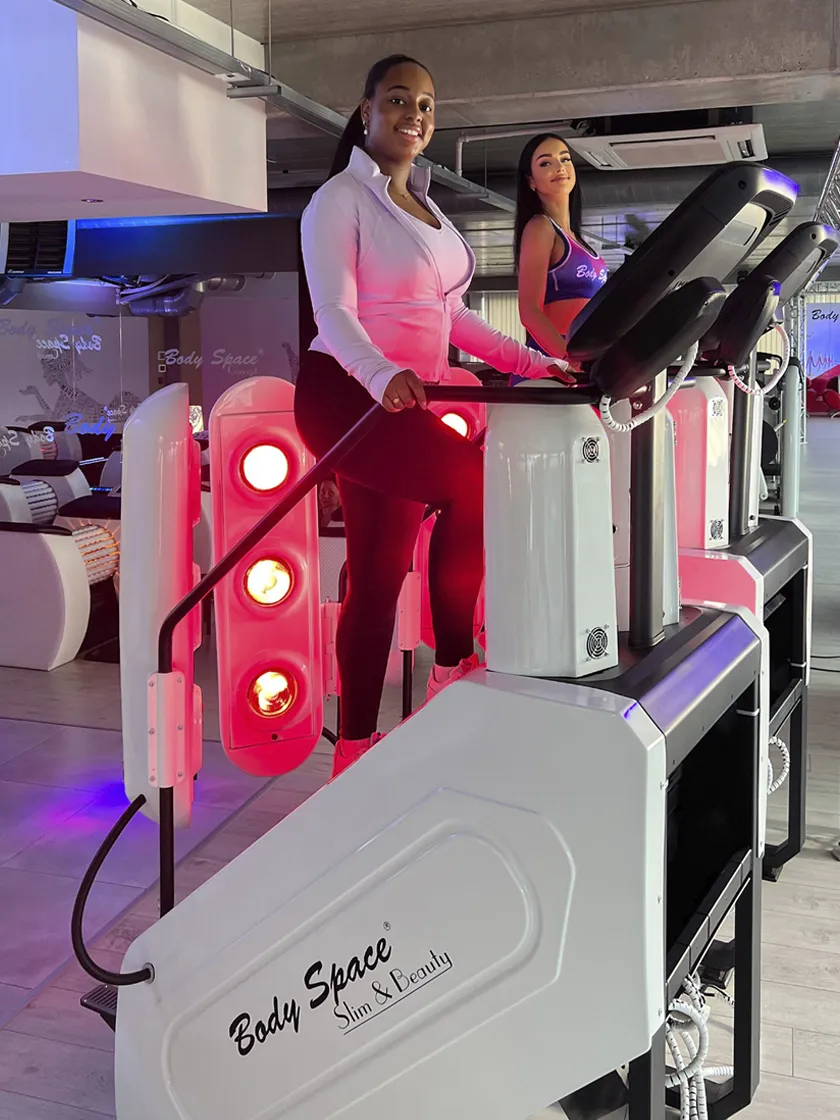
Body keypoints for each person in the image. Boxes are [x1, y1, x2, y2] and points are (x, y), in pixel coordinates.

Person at [295, 54, 572, 777]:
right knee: (472, 484)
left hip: (396, 400)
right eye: (397, 100)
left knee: (379, 576)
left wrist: (532, 364)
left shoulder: (426, 208)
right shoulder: (338, 202)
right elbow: (335, 313)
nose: (413, 114)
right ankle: (454, 666)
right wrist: (385, 373)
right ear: (365, 111)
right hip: (346, 393)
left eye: (424, 104)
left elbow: (453, 316)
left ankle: (352, 746)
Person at [512, 133, 609, 383]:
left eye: (565, 159)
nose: (559, 167)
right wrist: (567, 358)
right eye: (546, 163)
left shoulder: (579, 240)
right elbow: (529, 311)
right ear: (531, 181)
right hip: (553, 367)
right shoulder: (540, 227)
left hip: (582, 365)